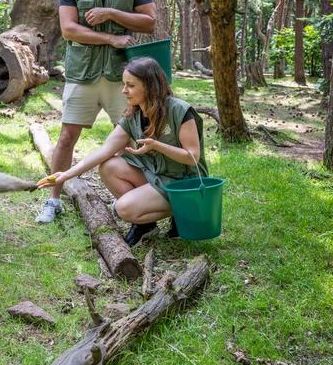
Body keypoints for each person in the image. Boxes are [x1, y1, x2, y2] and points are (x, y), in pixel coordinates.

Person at [35, 0, 157, 223]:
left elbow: (149, 21)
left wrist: (112, 13)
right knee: (67, 137)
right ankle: (53, 200)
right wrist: (110, 38)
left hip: (123, 76)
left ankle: (139, 201)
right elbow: (68, 29)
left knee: (132, 140)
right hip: (82, 72)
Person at [38, 57, 208, 247]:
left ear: (150, 86)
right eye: (124, 84)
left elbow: (192, 157)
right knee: (109, 166)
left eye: (131, 85)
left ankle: (182, 211)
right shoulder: (134, 114)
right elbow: (104, 151)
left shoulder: (180, 110)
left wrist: (157, 145)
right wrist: (65, 175)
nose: (124, 90)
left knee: (123, 209)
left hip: (184, 184)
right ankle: (145, 225)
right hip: (158, 176)